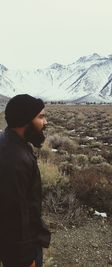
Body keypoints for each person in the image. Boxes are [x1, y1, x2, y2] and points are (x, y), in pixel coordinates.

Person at [0, 94, 51, 267]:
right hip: (20, 249)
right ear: (25, 120)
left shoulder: (10, 143)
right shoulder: (16, 159)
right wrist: (25, 258)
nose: (45, 122)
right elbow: (16, 213)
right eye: (41, 117)